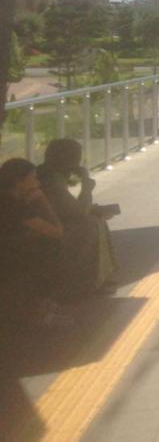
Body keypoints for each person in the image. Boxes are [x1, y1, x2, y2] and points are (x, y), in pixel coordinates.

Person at [37, 139, 117, 298]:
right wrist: (87, 188)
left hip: (49, 222)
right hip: (46, 229)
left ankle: (97, 279)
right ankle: (86, 283)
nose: (77, 163)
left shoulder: (44, 173)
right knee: (90, 225)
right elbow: (79, 212)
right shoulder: (52, 180)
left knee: (94, 220)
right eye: (76, 158)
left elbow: (69, 208)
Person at [0, 158, 70, 328]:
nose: (37, 182)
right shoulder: (13, 205)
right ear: (19, 181)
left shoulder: (9, 200)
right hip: (8, 256)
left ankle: (39, 304)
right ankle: (37, 310)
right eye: (33, 177)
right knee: (51, 247)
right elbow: (57, 231)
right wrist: (42, 200)